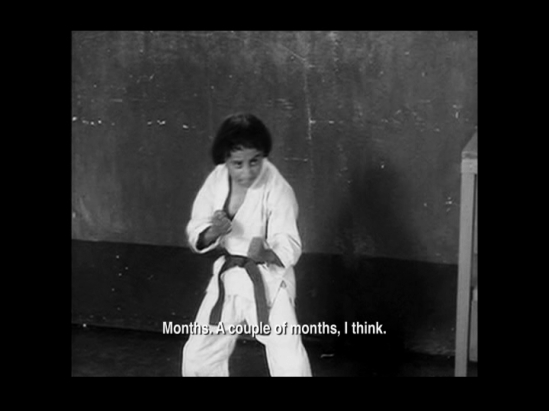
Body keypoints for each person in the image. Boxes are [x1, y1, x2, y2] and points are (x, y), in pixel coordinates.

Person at [182, 113, 312, 376]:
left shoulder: (277, 187)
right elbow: (197, 228)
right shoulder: (217, 179)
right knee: (199, 353)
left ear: (263, 155)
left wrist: (266, 253)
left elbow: (288, 240)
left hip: (269, 278)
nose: (247, 171)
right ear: (225, 159)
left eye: (255, 161)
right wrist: (214, 231)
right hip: (229, 276)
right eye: (237, 164)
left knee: (288, 356)